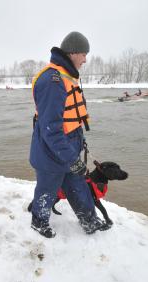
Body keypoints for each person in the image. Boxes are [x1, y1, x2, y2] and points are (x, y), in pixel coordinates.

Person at [29, 31, 108, 238]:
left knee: (77, 185)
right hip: (51, 151)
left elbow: (69, 120)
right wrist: (70, 157)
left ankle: (89, 220)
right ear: (73, 53)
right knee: (47, 189)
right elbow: (51, 128)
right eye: (84, 54)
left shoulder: (66, 76)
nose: (85, 59)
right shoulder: (52, 80)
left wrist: (78, 143)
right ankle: (38, 221)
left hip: (68, 145)